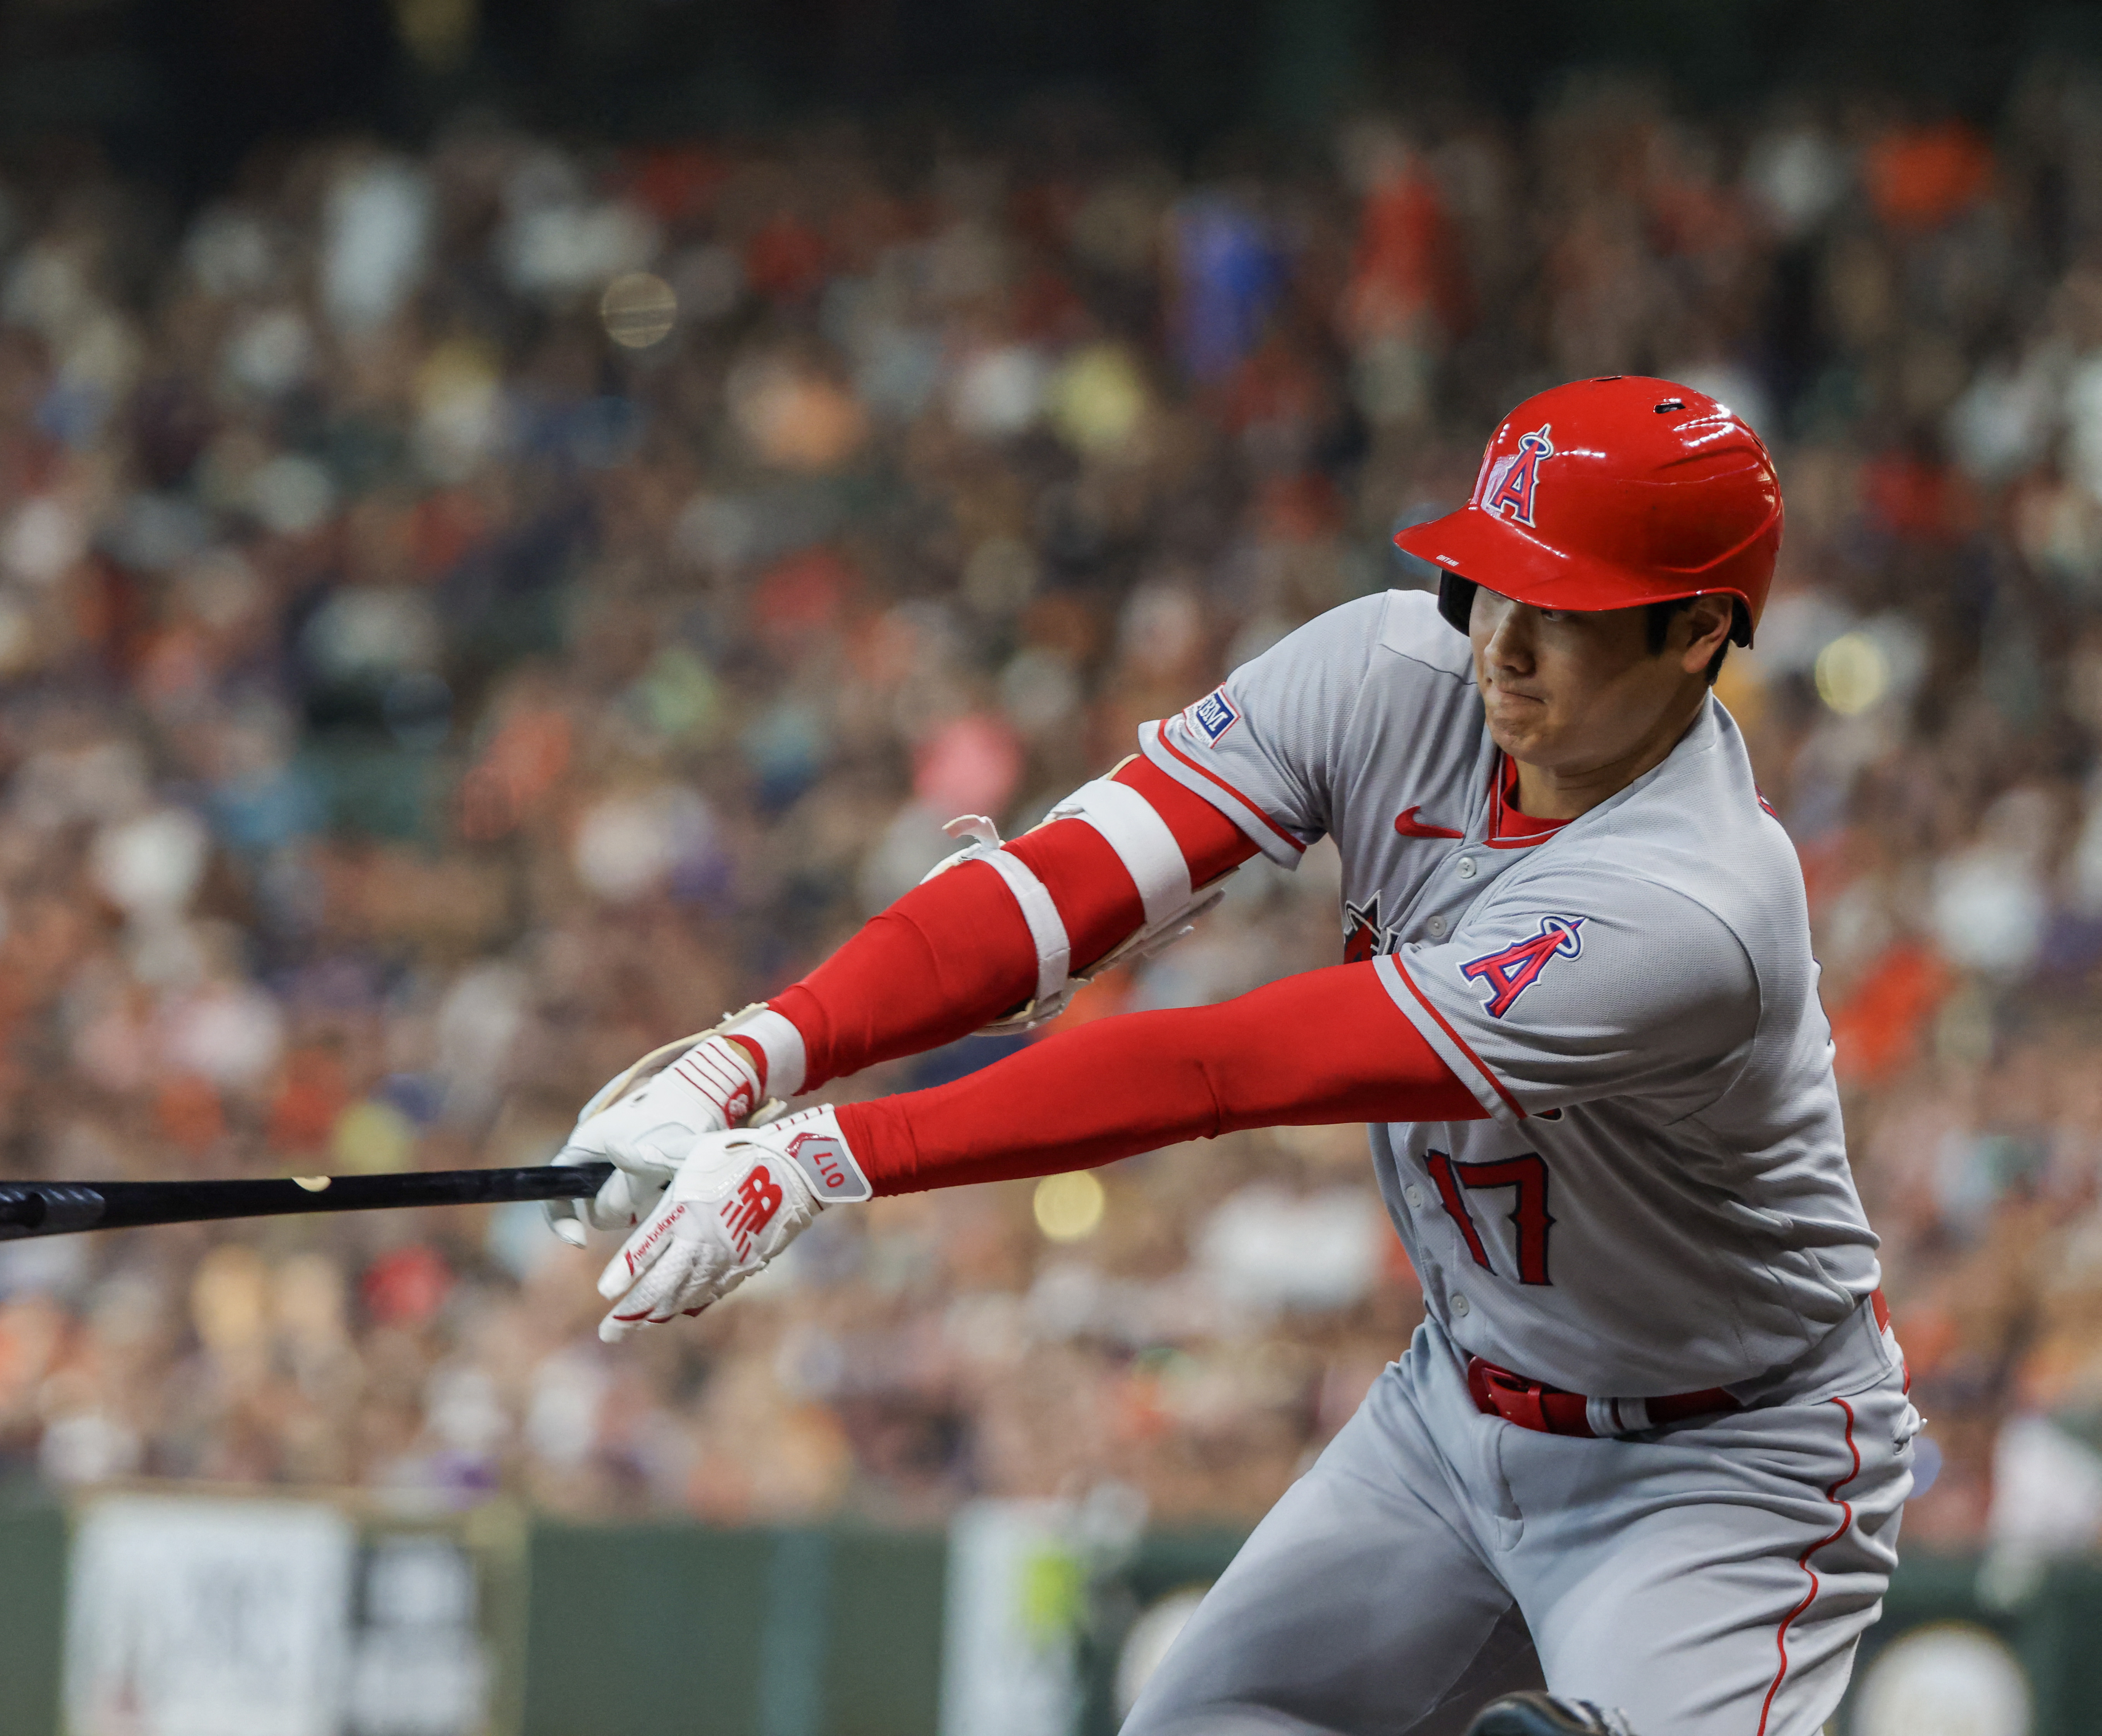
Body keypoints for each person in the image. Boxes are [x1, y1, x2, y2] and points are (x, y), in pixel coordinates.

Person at [551, 377, 1915, 1735]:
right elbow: (1056, 893)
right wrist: (743, 1063)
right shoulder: (1384, 670)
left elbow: (1225, 1068)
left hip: (1722, 1460)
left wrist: (827, 1154)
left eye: (1560, 610)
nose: (1499, 641)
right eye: (1486, 583)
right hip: (1452, 1413)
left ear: (1693, 633)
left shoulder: (1693, 902)